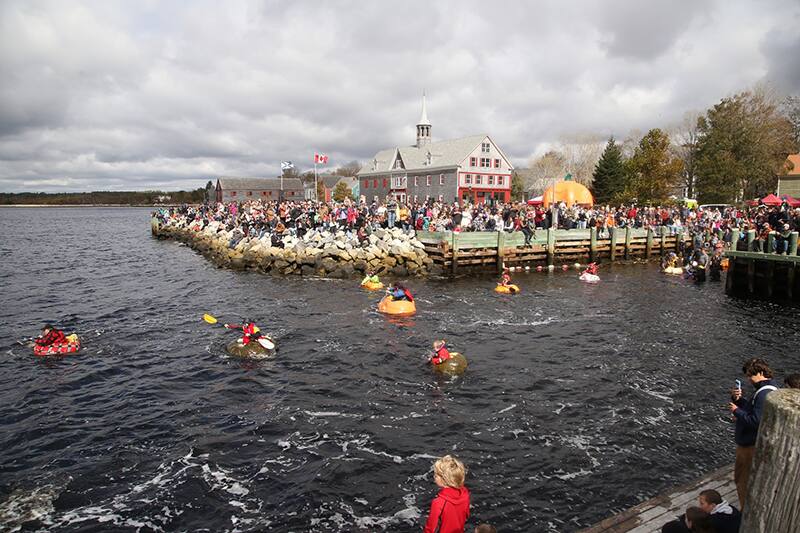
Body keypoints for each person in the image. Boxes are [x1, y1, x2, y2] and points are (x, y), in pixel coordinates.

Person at [729, 357, 778, 510]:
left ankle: (745, 512)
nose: (749, 379)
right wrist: (738, 399)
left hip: (749, 446)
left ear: (761, 372)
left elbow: (755, 421)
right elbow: (754, 411)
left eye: (751, 375)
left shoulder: (763, 394)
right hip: (755, 443)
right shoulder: (769, 389)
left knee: (742, 479)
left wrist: (736, 411)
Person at [423, 455, 470, 533]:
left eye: (436, 475)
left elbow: (430, 528)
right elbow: (466, 515)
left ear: (445, 479)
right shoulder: (465, 494)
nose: (434, 476)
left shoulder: (438, 502)